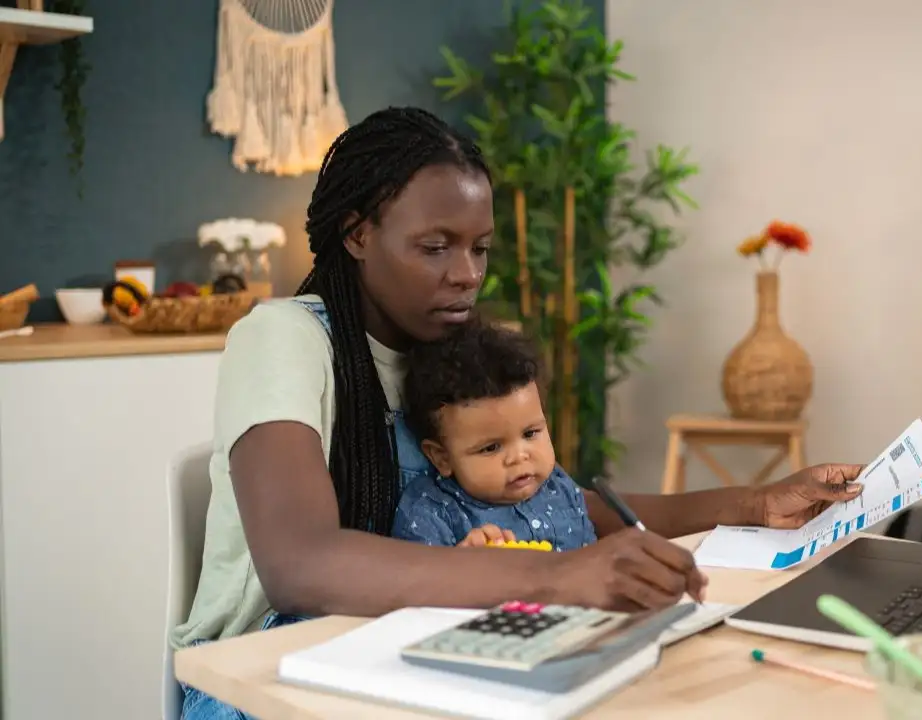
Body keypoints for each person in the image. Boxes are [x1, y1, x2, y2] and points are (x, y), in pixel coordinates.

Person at [174, 106, 865, 720]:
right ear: (356, 235)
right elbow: (300, 563)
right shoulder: (284, 338)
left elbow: (552, 504)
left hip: (397, 642)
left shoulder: (438, 350)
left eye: (479, 248)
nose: (467, 273)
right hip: (260, 675)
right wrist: (555, 575)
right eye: (435, 246)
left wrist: (750, 504)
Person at [392, 319, 596, 550]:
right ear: (442, 457)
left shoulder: (560, 486)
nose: (519, 457)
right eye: (491, 448)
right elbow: (416, 582)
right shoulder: (431, 513)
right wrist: (461, 568)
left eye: (530, 433)